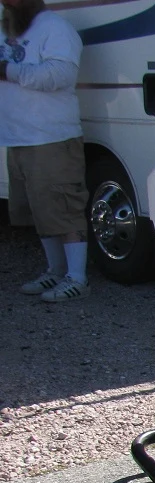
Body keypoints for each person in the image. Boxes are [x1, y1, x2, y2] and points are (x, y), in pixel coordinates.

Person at [1, 0, 89, 302]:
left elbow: (60, 75)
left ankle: (77, 278)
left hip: (51, 137)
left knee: (63, 207)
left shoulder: (55, 28)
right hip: (19, 138)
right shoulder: (8, 28)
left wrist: (8, 70)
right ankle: (55, 270)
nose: (5, 4)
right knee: (40, 212)